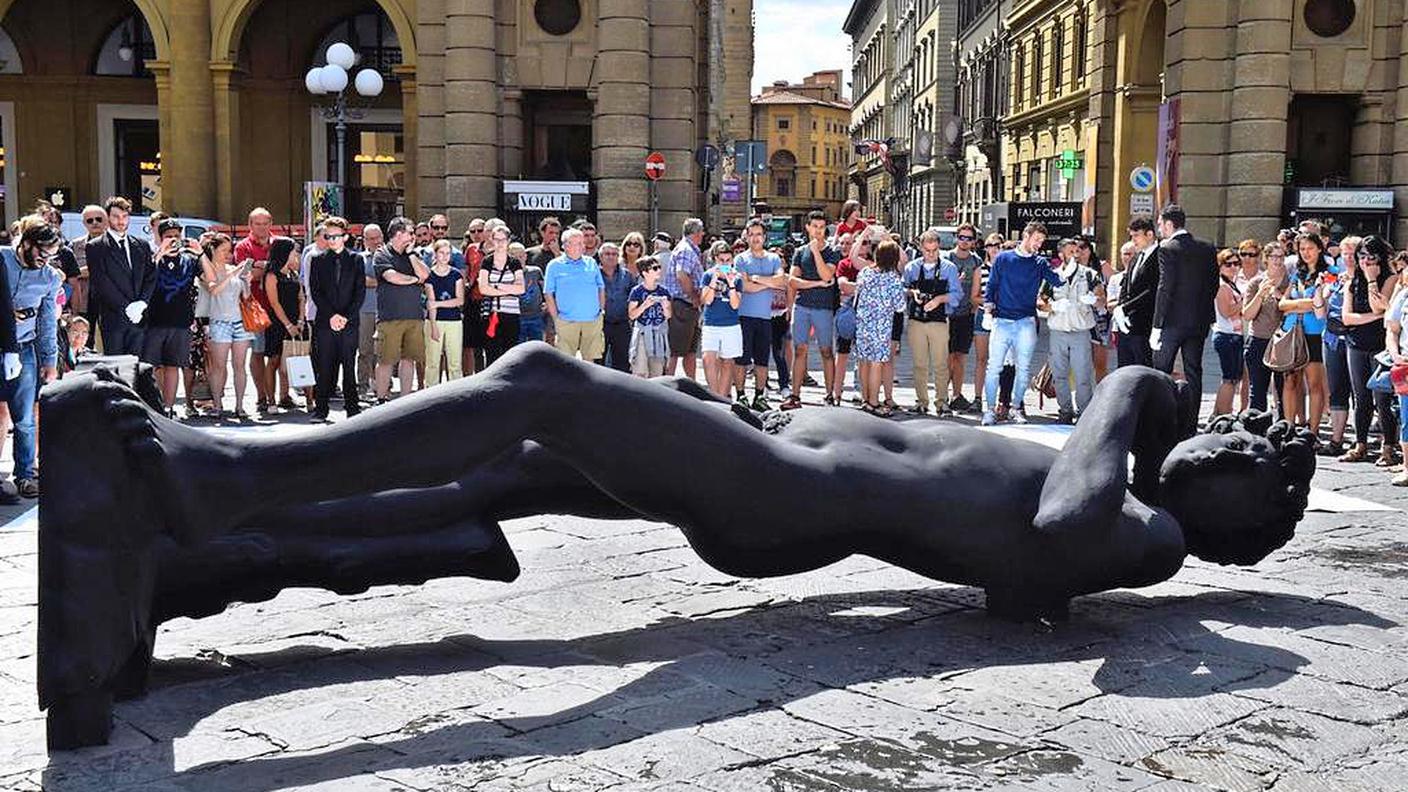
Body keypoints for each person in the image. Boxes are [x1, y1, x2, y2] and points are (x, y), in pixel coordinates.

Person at [2, 217, 60, 499]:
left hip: (24, 349)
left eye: (51, 255)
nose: (45, 259)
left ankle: (26, 473)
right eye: (41, 252)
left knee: (25, 417)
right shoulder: (2, 259)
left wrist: (50, 362)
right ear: (25, 243)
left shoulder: (50, 276)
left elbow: (47, 322)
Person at [981, 222, 1059, 426]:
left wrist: (1070, 268)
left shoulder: (1039, 262)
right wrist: (988, 311)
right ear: (1026, 236)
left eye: (1042, 241)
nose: (1039, 244)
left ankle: (1016, 408)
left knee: (1023, 369)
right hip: (1002, 319)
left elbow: (1057, 281)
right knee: (994, 367)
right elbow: (992, 285)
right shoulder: (1004, 258)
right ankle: (989, 410)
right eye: (1037, 240)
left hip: (1026, 320)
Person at [1339, 235, 1399, 466]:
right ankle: (1360, 443)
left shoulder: (1390, 278)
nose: (1366, 262)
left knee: (1382, 397)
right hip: (1356, 343)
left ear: (1381, 258)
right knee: (1361, 398)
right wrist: (1374, 317)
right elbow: (1347, 316)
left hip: (1380, 345)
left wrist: (1372, 280)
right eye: (1362, 257)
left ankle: (1388, 446)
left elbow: (1380, 305)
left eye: (1371, 257)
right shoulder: (1353, 280)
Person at [1152, 205, 1218, 392]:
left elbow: (1165, 287)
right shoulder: (1207, 248)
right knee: (1194, 371)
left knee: (1162, 372)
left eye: (1161, 224)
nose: (1159, 229)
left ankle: (1163, 418)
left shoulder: (1167, 248)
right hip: (1199, 321)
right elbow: (1214, 285)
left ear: (1169, 224)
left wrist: (1157, 325)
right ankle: (1191, 420)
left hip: (1172, 321)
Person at [308, 217, 366, 421]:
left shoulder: (357, 259)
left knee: (349, 365)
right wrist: (332, 315)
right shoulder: (318, 260)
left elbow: (360, 292)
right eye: (328, 236)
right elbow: (315, 292)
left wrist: (345, 317)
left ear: (346, 237)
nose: (331, 240)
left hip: (349, 322)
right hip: (325, 321)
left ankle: (352, 408)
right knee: (324, 366)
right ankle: (321, 409)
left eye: (335, 236)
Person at [141, 219, 201, 416]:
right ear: (159, 237)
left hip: (181, 321)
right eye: (168, 236)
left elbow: (210, 278)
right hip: (155, 321)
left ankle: (168, 407)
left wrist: (200, 252)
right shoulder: (152, 258)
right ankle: (155, 405)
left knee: (173, 365)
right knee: (153, 366)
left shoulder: (189, 260)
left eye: (176, 236)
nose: (173, 240)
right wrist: (161, 252)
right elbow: (145, 277)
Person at [1040, 238, 1104, 423]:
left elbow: (1102, 299)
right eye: (1071, 251)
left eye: (1077, 251)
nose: (1076, 254)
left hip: (1080, 332)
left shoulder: (1090, 275)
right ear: (1061, 255)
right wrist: (1053, 306)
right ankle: (1065, 411)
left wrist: (1094, 299)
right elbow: (1040, 302)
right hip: (1058, 332)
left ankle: (1084, 413)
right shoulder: (1052, 276)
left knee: (1083, 374)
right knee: (1059, 374)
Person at [784, 211, 840, 410]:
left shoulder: (832, 251)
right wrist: (816, 283)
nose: (818, 231)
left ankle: (829, 394)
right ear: (807, 227)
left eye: (822, 227)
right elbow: (792, 281)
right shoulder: (799, 252)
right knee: (800, 350)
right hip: (802, 306)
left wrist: (816, 252)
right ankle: (795, 394)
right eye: (814, 226)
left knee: (826, 351)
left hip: (823, 308)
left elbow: (828, 275)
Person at [904, 228, 963, 415]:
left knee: (940, 364)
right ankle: (922, 401)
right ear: (920, 248)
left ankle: (942, 402)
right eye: (927, 250)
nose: (931, 254)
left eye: (935, 250)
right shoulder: (911, 268)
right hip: (916, 320)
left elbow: (957, 294)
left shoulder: (948, 268)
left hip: (938, 320)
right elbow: (902, 288)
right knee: (919, 364)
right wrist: (912, 293)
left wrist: (938, 299)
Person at [86, 196, 154, 356]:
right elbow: (101, 281)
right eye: (116, 216)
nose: (121, 221)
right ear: (108, 217)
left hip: (140, 318)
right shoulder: (96, 246)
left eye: (124, 217)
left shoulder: (141, 245)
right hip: (113, 318)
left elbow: (150, 276)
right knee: (116, 369)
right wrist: (126, 307)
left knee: (138, 369)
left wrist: (142, 303)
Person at [733, 219, 788, 410]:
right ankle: (740, 394)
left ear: (764, 237)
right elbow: (743, 286)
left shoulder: (773, 258)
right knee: (741, 359)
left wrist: (756, 279)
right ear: (747, 236)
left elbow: (781, 282)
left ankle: (759, 396)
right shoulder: (740, 259)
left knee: (762, 360)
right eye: (752, 234)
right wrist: (768, 283)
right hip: (744, 315)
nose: (755, 238)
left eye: (759, 234)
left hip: (765, 317)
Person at [374, 216, 431, 402]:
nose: (414, 236)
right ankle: (381, 398)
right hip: (390, 317)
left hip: (414, 316)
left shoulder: (414, 254)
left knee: (409, 359)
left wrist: (412, 254)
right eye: (410, 232)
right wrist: (414, 280)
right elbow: (392, 277)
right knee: (386, 360)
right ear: (398, 234)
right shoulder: (382, 254)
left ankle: (405, 400)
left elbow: (425, 274)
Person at [1279, 232, 1331, 432]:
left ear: (1319, 248)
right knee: (1290, 380)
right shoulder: (1297, 274)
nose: (1306, 253)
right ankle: (1289, 427)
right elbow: (1282, 304)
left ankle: (1313, 431)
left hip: (1315, 333)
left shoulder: (1329, 272)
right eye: (1302, 249)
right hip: (1291, 331)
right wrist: (1301, 305)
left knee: (1314, 383)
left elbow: (1319, 306)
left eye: (1310, 248)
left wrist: (1295, 305)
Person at [200, 232, 252, 420]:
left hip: (240, 321)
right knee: (218, 366)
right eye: (224, 250)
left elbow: (245, 297)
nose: (228, 255)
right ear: (213, 249)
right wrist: (233, 273)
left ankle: (239, 405)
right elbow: (214, 290)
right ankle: (217, 404)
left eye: (229, 251)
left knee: (240, 365)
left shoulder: (233, 269)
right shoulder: (208, 269)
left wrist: (246, 282)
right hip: (219, 321)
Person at [854, 239, 908, 416]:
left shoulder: (865, 272)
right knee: (877, 363)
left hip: (863, 323)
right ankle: (874, 402)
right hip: (882, 325)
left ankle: (865, 399)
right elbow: (900, 306)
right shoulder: (893, 278)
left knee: (863, 361)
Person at [235, 208, 277, 414]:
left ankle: (281, 396)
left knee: (278, 355)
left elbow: (286, 268)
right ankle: (262, 396)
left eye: (265, 223)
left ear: (271, 223)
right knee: (258, 353)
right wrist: (270, 268)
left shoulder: (279, 243)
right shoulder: (243, 246)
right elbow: (246, 274)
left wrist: (262, 267)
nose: (261, 227)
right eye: (257, 223)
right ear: (250, 225)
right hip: (255, 308)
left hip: (279, 307)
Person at [1319, 236, 1358, 457]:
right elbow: (1321, 310)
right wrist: (1321, 291)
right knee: (1336, 389)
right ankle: (1336, 439)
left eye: (1354, 253)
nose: (1349, 257)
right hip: (1333, 338)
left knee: (1359, 392)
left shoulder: (1366, 280)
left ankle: (1358, 439)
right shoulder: (1337, 279)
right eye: (1346, 253)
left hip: (1357, 339)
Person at [545, 227, 606, 361]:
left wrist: (601, 311)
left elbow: (601, 287)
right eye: (577, 243)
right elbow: (548, 294)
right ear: (566, 245)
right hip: (566, 321)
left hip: (592, 320)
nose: (581, 246)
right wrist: (556, 319)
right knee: (566, 363)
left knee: (591, 363)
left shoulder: (591, 262)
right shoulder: (554, 265)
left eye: (581, 243)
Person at [1242, 243, 1289, 413]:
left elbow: (1291, 309)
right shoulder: (1256, 282)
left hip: (1283, 341)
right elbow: (1247, 315)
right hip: (1259, 340)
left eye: (1281, 257)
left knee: (1284, 390)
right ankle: (1256, 428)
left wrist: (1279, 295)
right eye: (1274, 257)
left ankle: (1283, 427)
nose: (1278, 261)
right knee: (1258, 391)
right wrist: (1261, 294)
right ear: (1266, 259)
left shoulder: (1290, 281)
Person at [261, 237, 307, 412]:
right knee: (273, 360)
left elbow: (301, 297)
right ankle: (270, 400)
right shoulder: (272, 275)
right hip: (277, 322)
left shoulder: (293, 274)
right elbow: (274, 303)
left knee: (289, 360)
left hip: (296, 321)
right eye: (293, 251)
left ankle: (285, 396)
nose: (296, 254)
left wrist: (301, 320)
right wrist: (288, 324)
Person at [945, 223, 983, 409]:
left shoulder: (976, 262)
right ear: (956, 238)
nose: (964, 241)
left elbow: (976, 291)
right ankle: (942, 394)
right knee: (946, 357)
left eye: (969, 238)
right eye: (962, 237)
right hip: (947, 315)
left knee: (960, 357)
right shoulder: (947, 258)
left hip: (966, 315)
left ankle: (957, 395)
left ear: (973, 242)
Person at [699, 240, 743, 398]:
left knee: (727, 361)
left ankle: (722, 397)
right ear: (715, 259)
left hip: (730, 325)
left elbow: (735, 304)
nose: (725, 263)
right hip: (711, 323)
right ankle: (714, 393)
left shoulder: (737, 278)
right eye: (721, 260)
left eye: (728, 260)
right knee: (708, 358)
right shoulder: (708, 275)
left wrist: (731, 284)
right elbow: (707, 300)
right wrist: (713, 281)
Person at [1114, 215, 1160, 368]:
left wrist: (1125, 308)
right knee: (1124, 370)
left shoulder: (1160, 256)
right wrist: (1119, 307)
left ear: (1150, 235)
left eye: (1136, 236)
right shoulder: (1136, 257)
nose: (1133, 240)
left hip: (1144, 326)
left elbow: (1151, 290)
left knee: (1142, 371)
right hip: (1126, 325)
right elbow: (1126, 285)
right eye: (1131, 236)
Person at [478, 225, 526, 365]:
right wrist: (509, 289)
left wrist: (497, 286)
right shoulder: (487, 261)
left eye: (503, 239)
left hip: (511, 314)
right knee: (492, 354)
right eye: (496, 239)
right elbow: (483, 288)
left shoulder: (514, 262)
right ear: (492, 240)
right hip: (492, 314)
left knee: (510, 354)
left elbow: (520, 288)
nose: (499, 243)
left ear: (508, 240)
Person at [421, 239, 467, 384]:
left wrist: (438, 303)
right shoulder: (430, 276)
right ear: (435, 254)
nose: (445, 256)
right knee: (432, 362)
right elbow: (430, 304)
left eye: (448, 253)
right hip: (434, 321)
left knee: (455, 363)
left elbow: (460, 300)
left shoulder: (456, 275)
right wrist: (434, 326)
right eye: (442, 253)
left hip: (454, 321)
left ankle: (456, 394)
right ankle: (430, 393)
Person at [666, 218, 706, 379]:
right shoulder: (686, 250)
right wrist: (694, 296)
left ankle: (692, 385)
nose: (703, 234)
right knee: (674, 351)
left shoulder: (689, 249)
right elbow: (682, 275)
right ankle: (667, 387)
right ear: (696, 233)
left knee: (689, 351)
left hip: (687, 307)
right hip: (682, 305)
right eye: (701, 231)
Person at [1211, 249, 1245, 417]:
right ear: (1220, 266)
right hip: (1226, 335)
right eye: (1228, 264)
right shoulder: (1223, 286)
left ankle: (1217, 413)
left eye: (1236, 264)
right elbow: (1226, 311)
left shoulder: (1231, 283)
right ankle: (1224, 415)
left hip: (1232, 335)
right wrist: (1246, 301)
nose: (1233, 267)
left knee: (1230, 378)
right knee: (1230, 379)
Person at [627, 255, 672, 377]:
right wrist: (645, 305)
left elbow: (668, 315)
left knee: (657, 373)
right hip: (642, 333)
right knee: (640, 372)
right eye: (655, 268)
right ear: (645, 272)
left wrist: (665, 306)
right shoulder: (637, 291)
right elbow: (631, 315)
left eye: (659, 267)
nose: (659, 270)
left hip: (658, 334)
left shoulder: (664, 291)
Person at [597, 242, 636, 371]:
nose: (611, 257)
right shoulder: (593, 275)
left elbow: (634, 299)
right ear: (601, 257)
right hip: (600, 324)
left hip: (622, 324)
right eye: (607, 254)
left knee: (622, 363)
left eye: (614, 254)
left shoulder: (627, 276)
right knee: (598, 361)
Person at [1385, 275, 1408, 486]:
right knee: (1406, 416)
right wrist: (1395, 355)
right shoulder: (1403, 296)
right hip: (1406, 363)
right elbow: (1392, 330)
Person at [526, 217, 563, 346]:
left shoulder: (562, 256)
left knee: (551, 337)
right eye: (550, 233)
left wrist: (557, 253)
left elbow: (564, 277)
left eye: (557, 233)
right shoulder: (530, 253)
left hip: (554, 302)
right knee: (536, 340)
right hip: (533, 303)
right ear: (542, 233)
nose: (554, 236)